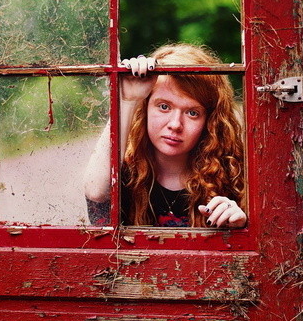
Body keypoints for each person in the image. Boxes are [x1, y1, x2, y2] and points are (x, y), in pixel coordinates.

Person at [82, 43, 247, 228]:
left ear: (209, 121)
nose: (175, 124)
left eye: (192, 113)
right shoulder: (127, 172)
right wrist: (128, 101)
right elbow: (96, 193)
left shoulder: (232, 175)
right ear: (145, 108)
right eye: (164, 107)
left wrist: (238, 226)